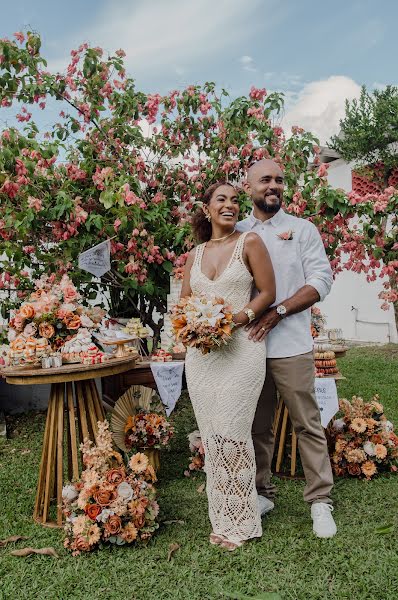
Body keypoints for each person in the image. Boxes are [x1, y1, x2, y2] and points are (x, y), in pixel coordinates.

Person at [236, 159, 337, 538]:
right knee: (256, 426)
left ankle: (320, 501)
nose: (273, 186)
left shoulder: (301, 229)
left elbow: (321, 280)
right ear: (249, 187)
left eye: (279, 180)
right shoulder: (237, 231)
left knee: (307, 424)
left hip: (292, 344)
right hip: (246, 350)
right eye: (265, 180)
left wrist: (279, 311)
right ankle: (261, 493)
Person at [181, 180, 275, 550]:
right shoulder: (195, 254)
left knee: (234, 430)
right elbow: (186, 302)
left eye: (236, 200)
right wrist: (193, 326)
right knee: (213, 435)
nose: (231, 205)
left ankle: (241, 522)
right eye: (222, 199)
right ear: (207, 208)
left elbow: (268, 292)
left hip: (243, 351)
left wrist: (233, 318)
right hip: (202, 358)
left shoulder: (250, 243)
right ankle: (222, 518)